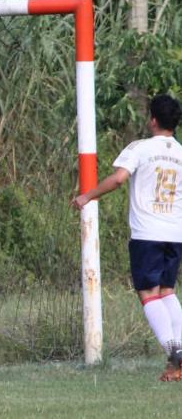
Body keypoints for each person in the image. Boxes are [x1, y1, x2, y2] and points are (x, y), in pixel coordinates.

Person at [71, 94, 182, 381]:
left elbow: (119, 178)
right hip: (175, 233)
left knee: (148, 294)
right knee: (167, 292)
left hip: (148, 234)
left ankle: (175, 354)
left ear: (153, 120)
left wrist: (87, 196)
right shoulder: (181, 153)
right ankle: (178, 355)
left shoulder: (140, 148)